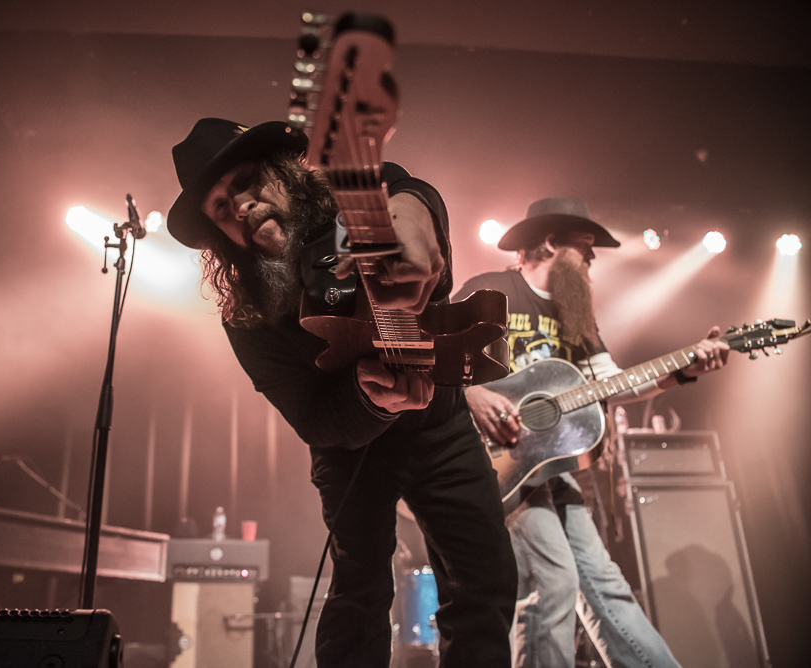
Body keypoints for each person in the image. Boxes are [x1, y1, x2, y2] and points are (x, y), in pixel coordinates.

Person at [166, 118, 517, 667]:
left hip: (441, 425)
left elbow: (407, 191)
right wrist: (368, 398)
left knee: (487, 581)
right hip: (352, 448)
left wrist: (413, 220)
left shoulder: (350, 203)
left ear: (282, 170)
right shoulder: (247, 314)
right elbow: (311, 417)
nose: (239, 205)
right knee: (360, 592)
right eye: (218, 207)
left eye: (247, 181)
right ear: (217, 232)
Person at [454, 197, 730, 668]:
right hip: (494, 464)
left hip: (550, 468)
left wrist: (684, 367)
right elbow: (436, 354)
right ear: (550, 242)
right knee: (553, 583)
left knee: (606, 588)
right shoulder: (490, 289)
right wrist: (471, 395)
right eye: (586, 248)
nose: (593, 260)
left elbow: (615, 383)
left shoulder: (576, 318)